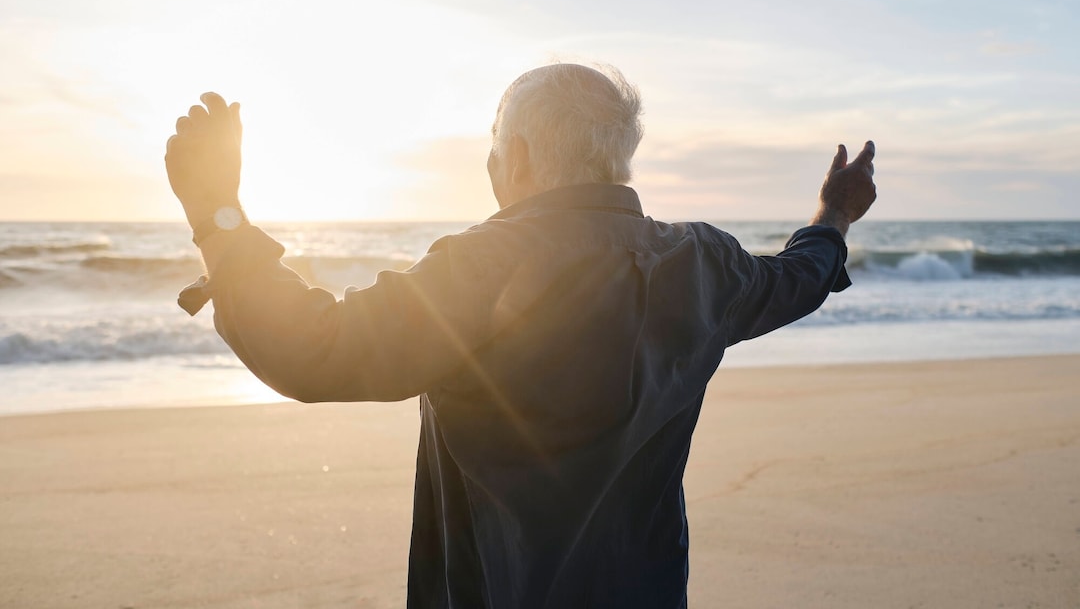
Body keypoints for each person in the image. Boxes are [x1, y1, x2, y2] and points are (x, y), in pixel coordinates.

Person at [165, 63, 876, 608]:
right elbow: (798, 278)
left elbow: (316, 349)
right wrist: (834, 216)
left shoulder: (482, 265)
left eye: (495, 147)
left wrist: (217, 213)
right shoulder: (703, 262)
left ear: (522, 156)